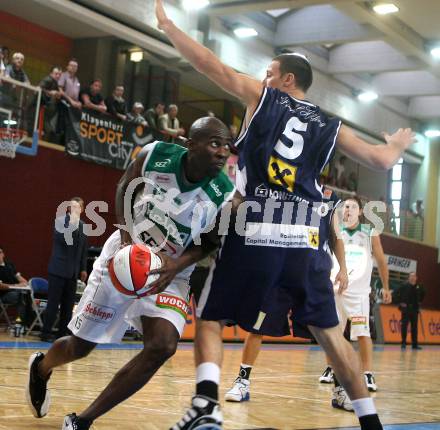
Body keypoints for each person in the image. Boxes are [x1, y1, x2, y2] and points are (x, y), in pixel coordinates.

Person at [155, 2, 415, 430]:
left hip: (257, 223)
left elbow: (208, 63)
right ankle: (370, 420)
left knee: (211, 315)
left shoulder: (265, 99)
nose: (264, 78)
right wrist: (399, 144)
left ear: (286, 79)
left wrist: (168, 26)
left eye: (270, 72)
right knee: (330, 333)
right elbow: (382, 161)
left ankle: (205, 403)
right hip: (306, 237)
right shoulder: (331, 124)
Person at [26, 117, 235, 430]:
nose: (222, 152)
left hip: (170, 272)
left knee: (162, 346)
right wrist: (126, 236)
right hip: (125, 256)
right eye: (214, 143)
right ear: (190, 145)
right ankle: (42, 367)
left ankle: (83, 420)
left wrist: (175, 265)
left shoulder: (224, 194)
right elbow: (125, 185)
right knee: (81, 346)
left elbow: (209, 243)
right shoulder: (156, 154)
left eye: (226, 145)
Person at [225, 189, 349, 403]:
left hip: (311, 271)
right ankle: (242, 381)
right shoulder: (279, 186)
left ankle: (340, 389)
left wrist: (343, 268)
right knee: (257, 327)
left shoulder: (328, 197)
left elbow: (335, 236)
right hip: (277, 269)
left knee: (328, 333)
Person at [318, 196, 391, 410]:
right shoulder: (335, 231)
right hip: (336, 290)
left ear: (360, 212)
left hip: (359, 294)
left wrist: (386, 287)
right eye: (345, 206)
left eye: (352, 206)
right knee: (333, 333)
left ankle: (367, 373)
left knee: (362, 333)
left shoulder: (370, 233)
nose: (348, 209)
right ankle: (330, 369)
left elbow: (381, 261)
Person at [40, 198, 88, 342]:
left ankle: (62, 333)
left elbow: (83, 250)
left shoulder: (83, 226)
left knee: (68, 306)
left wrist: (83, 269)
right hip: (58, 270)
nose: (75, 209)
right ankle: (46, 332)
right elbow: (63, 239)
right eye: (72, 207)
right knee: (53, 304)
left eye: (78, 207)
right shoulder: (61, 222)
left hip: (73, 273)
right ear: (68, 209)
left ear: (82, 209)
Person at [0, 246, 30, 326]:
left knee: (26, 295)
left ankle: (27, 323)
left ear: (3, 254)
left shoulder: (9, 265)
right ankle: (20, 323)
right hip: (3, 295)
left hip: (15, 291)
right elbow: (1, 286)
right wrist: (16, 285)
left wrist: (24, 283)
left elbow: (22, 280)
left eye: (0, 252)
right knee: (20, 295)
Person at [398, 272, 424, 350]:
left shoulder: (418, 287)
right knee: (404, 326)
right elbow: (397, 294)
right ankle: (403, 343)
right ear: (408, 278)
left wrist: (419, 305)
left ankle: (414, 345)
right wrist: (400, 303)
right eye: (411, 276)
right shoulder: (404, 286)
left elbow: (422, 295)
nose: (413, 277)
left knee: (414, 328)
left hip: (414, 310)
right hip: (406, 309)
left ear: (416, 278)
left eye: (414, 276)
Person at [39, 66, 63, 141]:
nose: (58, 76)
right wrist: (50, 93)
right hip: (40, 109)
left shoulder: (55, 83)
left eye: (59, 74)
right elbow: (39, 88)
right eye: (56, 74)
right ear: (51, 73)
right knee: (46, 130)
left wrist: (57, 94)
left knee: (48, 131)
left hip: (46, 111)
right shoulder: (48, 79)